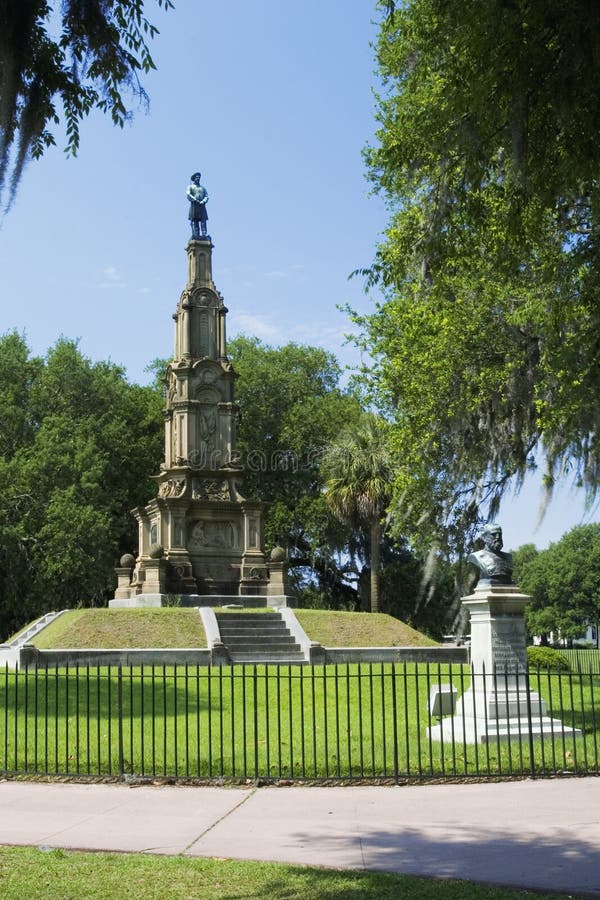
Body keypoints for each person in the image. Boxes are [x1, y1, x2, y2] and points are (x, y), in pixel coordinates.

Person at [187, 172, 209, 239]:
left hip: (202, 205)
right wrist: (195, 199)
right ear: (194, 179)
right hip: (194, 205)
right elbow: (188, 194)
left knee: (203, 220)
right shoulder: (190, 186)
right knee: (195, 220)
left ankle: (204, 234)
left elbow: (206, 196)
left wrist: (203, 201)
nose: (198, 178)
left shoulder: (203, 188)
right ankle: (196, 234)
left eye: (199, 177)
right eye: (197, 177)